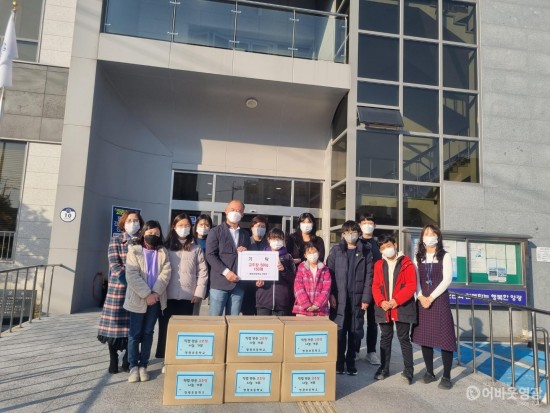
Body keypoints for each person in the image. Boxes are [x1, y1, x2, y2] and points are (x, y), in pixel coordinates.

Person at [156, 213, 208, 360]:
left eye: (186, 226)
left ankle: (181, 358)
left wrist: (199, 292)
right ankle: (166, 358)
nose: (183, 228)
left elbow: (203, 272)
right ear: (174, 227)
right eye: (180, 225)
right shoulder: (165, 247)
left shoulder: (195, 248)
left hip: (188, 296)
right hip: (167, 295)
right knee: (166, 327)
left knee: (184, 329)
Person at [124, 220, 171, 383]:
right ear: (144, 233)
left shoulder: (163, 252)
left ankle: (143, 365)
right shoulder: (134, 250)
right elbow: (131, 275)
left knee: (148, 333)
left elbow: (166, 274)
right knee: (134, 334)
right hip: (138, 299)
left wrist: (155, 292)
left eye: (157, 234)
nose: (153, 236)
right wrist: (146, 294)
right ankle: (133, 367)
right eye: (150, 233)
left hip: (156, 299)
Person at [98, 210, 144, 374]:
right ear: (123, 223)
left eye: (136, 220)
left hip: (138, 290)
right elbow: (115, 265)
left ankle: (127, 360)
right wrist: (129, 280)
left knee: (133, 327)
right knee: (114, 328)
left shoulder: (142, 241)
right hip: (119, 289)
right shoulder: (116, 239)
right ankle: (113, 359)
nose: (133, 223)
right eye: (130, 220)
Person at [412, 224, 457, 390]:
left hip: (439, 300)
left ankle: (446, 375)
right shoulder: (418, 257)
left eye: (432, 233)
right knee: (425, 338)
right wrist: (421, 296)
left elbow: (447, 279)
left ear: (438, 236)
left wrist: (431, 297)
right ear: (422, 237)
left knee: (445, 339)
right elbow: (415, 280)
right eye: (426, 233)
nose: (429, 236)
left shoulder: (444, 256)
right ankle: (430, 372)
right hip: (422, 300)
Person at [327, 220, 373, 376]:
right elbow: (329, 274)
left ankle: (351, 361)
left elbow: (369, 276)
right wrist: (331, 294)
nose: (350, 235)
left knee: (355, 331)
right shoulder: (336, 251)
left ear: (358, 233)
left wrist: (366, 298)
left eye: (353, 232)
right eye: (347, 232)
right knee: (339, 331)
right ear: (342, 234)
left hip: (357, 298)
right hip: (339, 298)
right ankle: (339, 362)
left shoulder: (366, 251)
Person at [371, 233, 417, 384]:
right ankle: (384, 368)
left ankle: (409, 370)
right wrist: (381, 301)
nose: (386, 250)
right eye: (383, 248)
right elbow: (376, 285)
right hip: (384, 307)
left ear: (395, 245)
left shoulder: (407, 263)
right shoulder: (379, 264)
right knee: (385, 337)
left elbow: (411, 285)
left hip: (401, 307)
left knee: (404, 338)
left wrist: (396, 300)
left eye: (388, 246)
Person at [206, 200, 250, 316]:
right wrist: (226, 272)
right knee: (215, 322)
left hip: (238, 284)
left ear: (243, 214)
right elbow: (210, 255)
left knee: (233, 323)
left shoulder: (245, 234)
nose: (236, 212)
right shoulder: (215, 231)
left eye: (239, 211)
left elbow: (249, 258)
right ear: (226, 211)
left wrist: (246, 252)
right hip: (220, 283)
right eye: (232, 210)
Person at [358, 213, 382, 365]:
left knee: (373, 322)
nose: (367, 224)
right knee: (357, 320)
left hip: (376, 288)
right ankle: (354, 350)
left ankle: (371, 352)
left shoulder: (379, 243)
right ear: (359, 225)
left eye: (370, 222)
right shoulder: (356, 242)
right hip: (359, 288)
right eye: (364, 222)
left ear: (374, 225)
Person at [255, 228, 295, 316]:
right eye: (273, 239)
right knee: (263, 329)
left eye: (279, 239)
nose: (276, 241)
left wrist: (284, 270)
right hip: (263, 300)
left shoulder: (288, 257)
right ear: (268, 239)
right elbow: (252, 274)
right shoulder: (260, 255)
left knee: (279, 329)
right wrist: (256, 281)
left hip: (281, 302)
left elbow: (293, 279)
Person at [292, 242, 331, 317]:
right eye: (309, 252)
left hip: (320, 310)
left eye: (314, 252)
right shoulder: (301, 268)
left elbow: (327, 288)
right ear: (305, 255)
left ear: (318, 253)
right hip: (303, 310)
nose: (312, 254)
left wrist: (317, 305)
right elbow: (298, 287)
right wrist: (306, 304)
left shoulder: (325, 269)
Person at [242, 215, 269, 315]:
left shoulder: (268, 244)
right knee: (247, 315)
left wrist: (263, 278)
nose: (260, 229)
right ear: (252, 227)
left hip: (264, 286)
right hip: (248, 286)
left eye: (263, 227)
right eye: (258, 226)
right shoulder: (245, 242)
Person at [192, 214, 212, 315]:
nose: (204, 227)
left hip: (208, 278)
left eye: (206, 225)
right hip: (193, 279)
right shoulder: (191, 241)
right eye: (201, 224)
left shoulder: (212, 241)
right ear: (196, 225)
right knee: (192, 309)